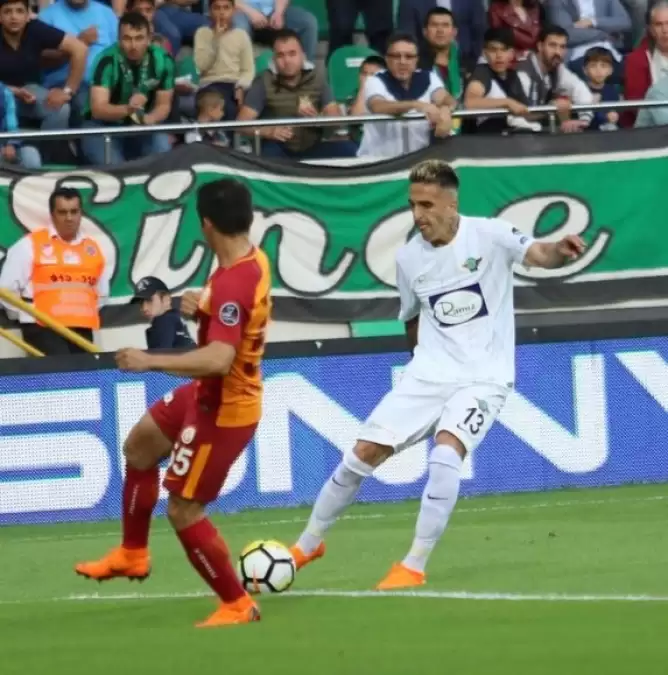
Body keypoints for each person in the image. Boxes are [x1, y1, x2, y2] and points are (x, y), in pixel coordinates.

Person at [289, 159, 586, 590]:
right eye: (413, 205)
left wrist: (560, 248)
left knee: (446, 454)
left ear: (451, 204)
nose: (418, 215)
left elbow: (539, 254)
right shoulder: (409, 258)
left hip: (484, 377)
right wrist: (418, 369)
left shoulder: (490, 235)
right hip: (428, 374)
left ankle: (413, 564)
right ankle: (307, 545)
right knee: (359, 456)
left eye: (426, 205)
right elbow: (412, 318)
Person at [74, 179, 272, 629]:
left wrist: (150, 359)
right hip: (204, 393)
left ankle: (237, 604)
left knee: (183, 508)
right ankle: (132, 553)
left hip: (225, 408)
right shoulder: (250, 260)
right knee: (139, 447)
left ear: (205, 224)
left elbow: (219, 359)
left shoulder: (232, 281)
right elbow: (238, 319)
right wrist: (203, 308)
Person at [0, 186, 109, 356]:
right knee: (62, 372)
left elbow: (102, 294)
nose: (69, 218)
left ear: (81, 213)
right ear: (52, 215)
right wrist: (26, 316)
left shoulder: (93, 248)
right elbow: (6, 289)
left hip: (82, 328)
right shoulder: (30, 244)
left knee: (84, 373)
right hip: (43, 328)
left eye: (74, 211)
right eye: (62, 212)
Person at [131, 276, 195, 350]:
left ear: (166, 299)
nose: (144, 308)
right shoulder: (175, 319)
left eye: (149, 300)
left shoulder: (164, 320)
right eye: (140, 303)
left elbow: (159, 356)